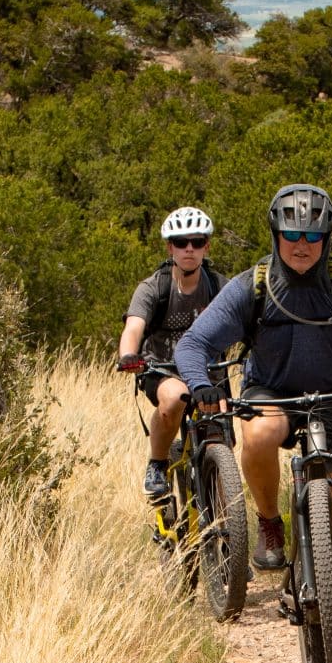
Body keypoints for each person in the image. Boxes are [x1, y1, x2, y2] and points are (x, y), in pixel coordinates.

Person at [174, 183, 332, 663]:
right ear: (275, 233)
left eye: (312, 235)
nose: (301, 244)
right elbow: (194, 345)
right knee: (259, 434)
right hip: (273, 395)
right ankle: (270, 523)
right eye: (291, 232)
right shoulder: (252, 285)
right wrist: (200, 385)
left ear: (327, 237)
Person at [116, 207, 221, 501]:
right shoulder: (154, 288)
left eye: (197, 242)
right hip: (163, 370)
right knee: (175, 398)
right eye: (181, 241)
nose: (189, 248)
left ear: (206, 246)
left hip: (209, 372)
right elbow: (134, 327)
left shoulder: (218, 286)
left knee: (223, 423)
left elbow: (247, 317)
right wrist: (128, 355)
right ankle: (158, 464)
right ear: (170, 247)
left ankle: (220, 490)